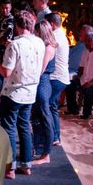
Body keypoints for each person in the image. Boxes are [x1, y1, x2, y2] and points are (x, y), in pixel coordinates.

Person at [0, 10, 44, 177]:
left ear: (17, 26)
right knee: (24, 127)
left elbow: (6, 72)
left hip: (14, 92)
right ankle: (26, 164)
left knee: (8, 128)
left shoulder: (15, 45)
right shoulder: (40, 43)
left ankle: (10, 168)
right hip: (31, 92)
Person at [65, 32, 93, 119]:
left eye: (89, 41)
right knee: (69, 85)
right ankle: (73, 109)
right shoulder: (86, 51)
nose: (86, 44)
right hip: (85, 78)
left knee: (89, 90)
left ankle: (87, 113)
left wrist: (91, 82)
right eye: (86, 41)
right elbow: (81, 66)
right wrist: (78, 77)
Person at [32, 20, 58, 164]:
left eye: (36, 32)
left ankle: (46, 154)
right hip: (40, 82)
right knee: (36, 117)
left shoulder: (48, 47)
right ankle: (38, 147)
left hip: (42, 83)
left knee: (45, 117)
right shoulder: (43, 46)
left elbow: (41, 69)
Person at [45, 13, 70, 146]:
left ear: (52, 24)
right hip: (61, 77)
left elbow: (48, 56)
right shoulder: (61, 35)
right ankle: (56, 136)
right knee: (52, 106)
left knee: (47, 106)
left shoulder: (54, 37)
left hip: (56, 77)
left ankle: (53, 136)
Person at [0, 0, 15, 90]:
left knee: (3, 73)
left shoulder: (11, 19)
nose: (5, 10)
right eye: (3, 8)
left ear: (10, 8)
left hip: (6, 50)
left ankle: (3, 92)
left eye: (7, 8)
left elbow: (9, 29)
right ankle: (2, 91)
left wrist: (3, 37)